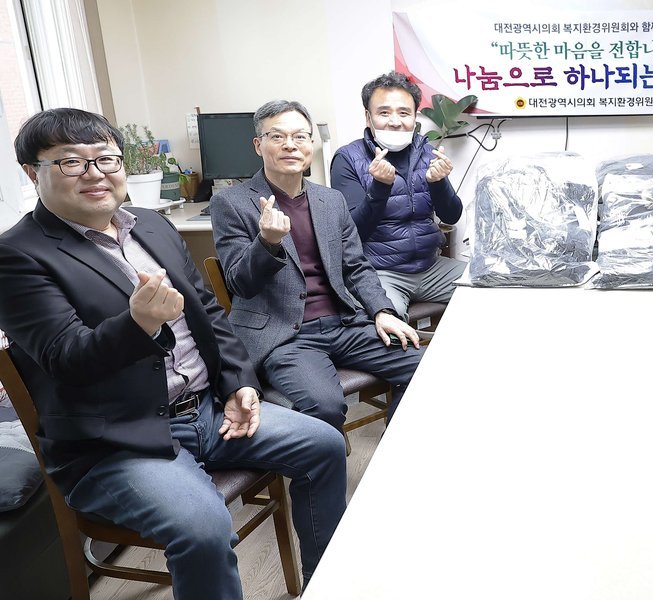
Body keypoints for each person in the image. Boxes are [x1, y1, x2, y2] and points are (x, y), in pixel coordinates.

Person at [0, 108, 347, 596]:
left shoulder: (150, 224)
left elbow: (210, 313)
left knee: (324, 444)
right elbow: (65, 358)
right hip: (117, 442)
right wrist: (139, 324)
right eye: (71, 162)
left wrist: (238, 385)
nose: (95, 173)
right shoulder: (18, 254)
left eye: (106, 158)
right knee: (203, 527)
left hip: (208, 411)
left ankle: (326, 585)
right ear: (32, 172)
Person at [210, 99, 424, 428]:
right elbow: (240, 283)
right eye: (277, 136)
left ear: (311, 144)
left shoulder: (330, 200)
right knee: (325, 405)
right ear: (258, 145)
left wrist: (382, 311)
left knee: (428, 369)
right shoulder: (230, 203)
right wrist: (267, 242)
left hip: (344, 324)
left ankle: (395, 451)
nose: (290, 145)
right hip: (285, 335)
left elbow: (356, 266)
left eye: (300, 136)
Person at [331, 71, 464, 322]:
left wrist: (438, 183)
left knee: (488, 287)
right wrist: (380, 188)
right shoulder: (348, 158)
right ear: (368, 117)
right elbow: (352, 231)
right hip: (380, 272)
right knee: (390, 323)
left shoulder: (427, 153)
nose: (395, 121)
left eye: (404, 113)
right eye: (384, 113)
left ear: (414, 117)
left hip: (431, 267)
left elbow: (451, 216)